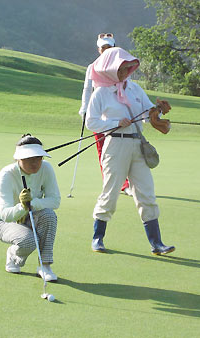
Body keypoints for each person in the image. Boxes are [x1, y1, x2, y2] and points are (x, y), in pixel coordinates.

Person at [85, 47, 175, 255]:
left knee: (147, 194)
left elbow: (147, 114)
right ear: (109, 68)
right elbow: (91, 122)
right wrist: (116, 122)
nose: (125, 72)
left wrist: (158, 110)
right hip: (115, 145)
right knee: (110, 193)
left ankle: (157, 244)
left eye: (127, 68)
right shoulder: (100, 93)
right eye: (120, 68)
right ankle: (97, 238)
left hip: (137, 145)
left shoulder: (134, 89)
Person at [0, 134, 61, 281]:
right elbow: (6, 215)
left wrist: (33, 203)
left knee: (49, 215)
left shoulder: (46, 169)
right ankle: (13, 256)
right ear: (18, 159)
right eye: (29, 159)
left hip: (32, 216)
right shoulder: (7, 174)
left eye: (38, 158)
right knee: (29, 240)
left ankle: (45, 266)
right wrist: (22, 206)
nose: (34, 163)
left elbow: (55, 201)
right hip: (3, 223)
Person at [78, 33, 132, 196]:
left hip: (119, 115)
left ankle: (126, 184)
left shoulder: (121, 67)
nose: (106, 50)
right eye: (103, 48)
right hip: (100, 115)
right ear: (98, 49)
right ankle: (110, 183)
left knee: (123, 150)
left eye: (109, 47)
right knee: (103, 152)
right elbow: (87, 89)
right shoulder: (92, 67)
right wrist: (84, 109)